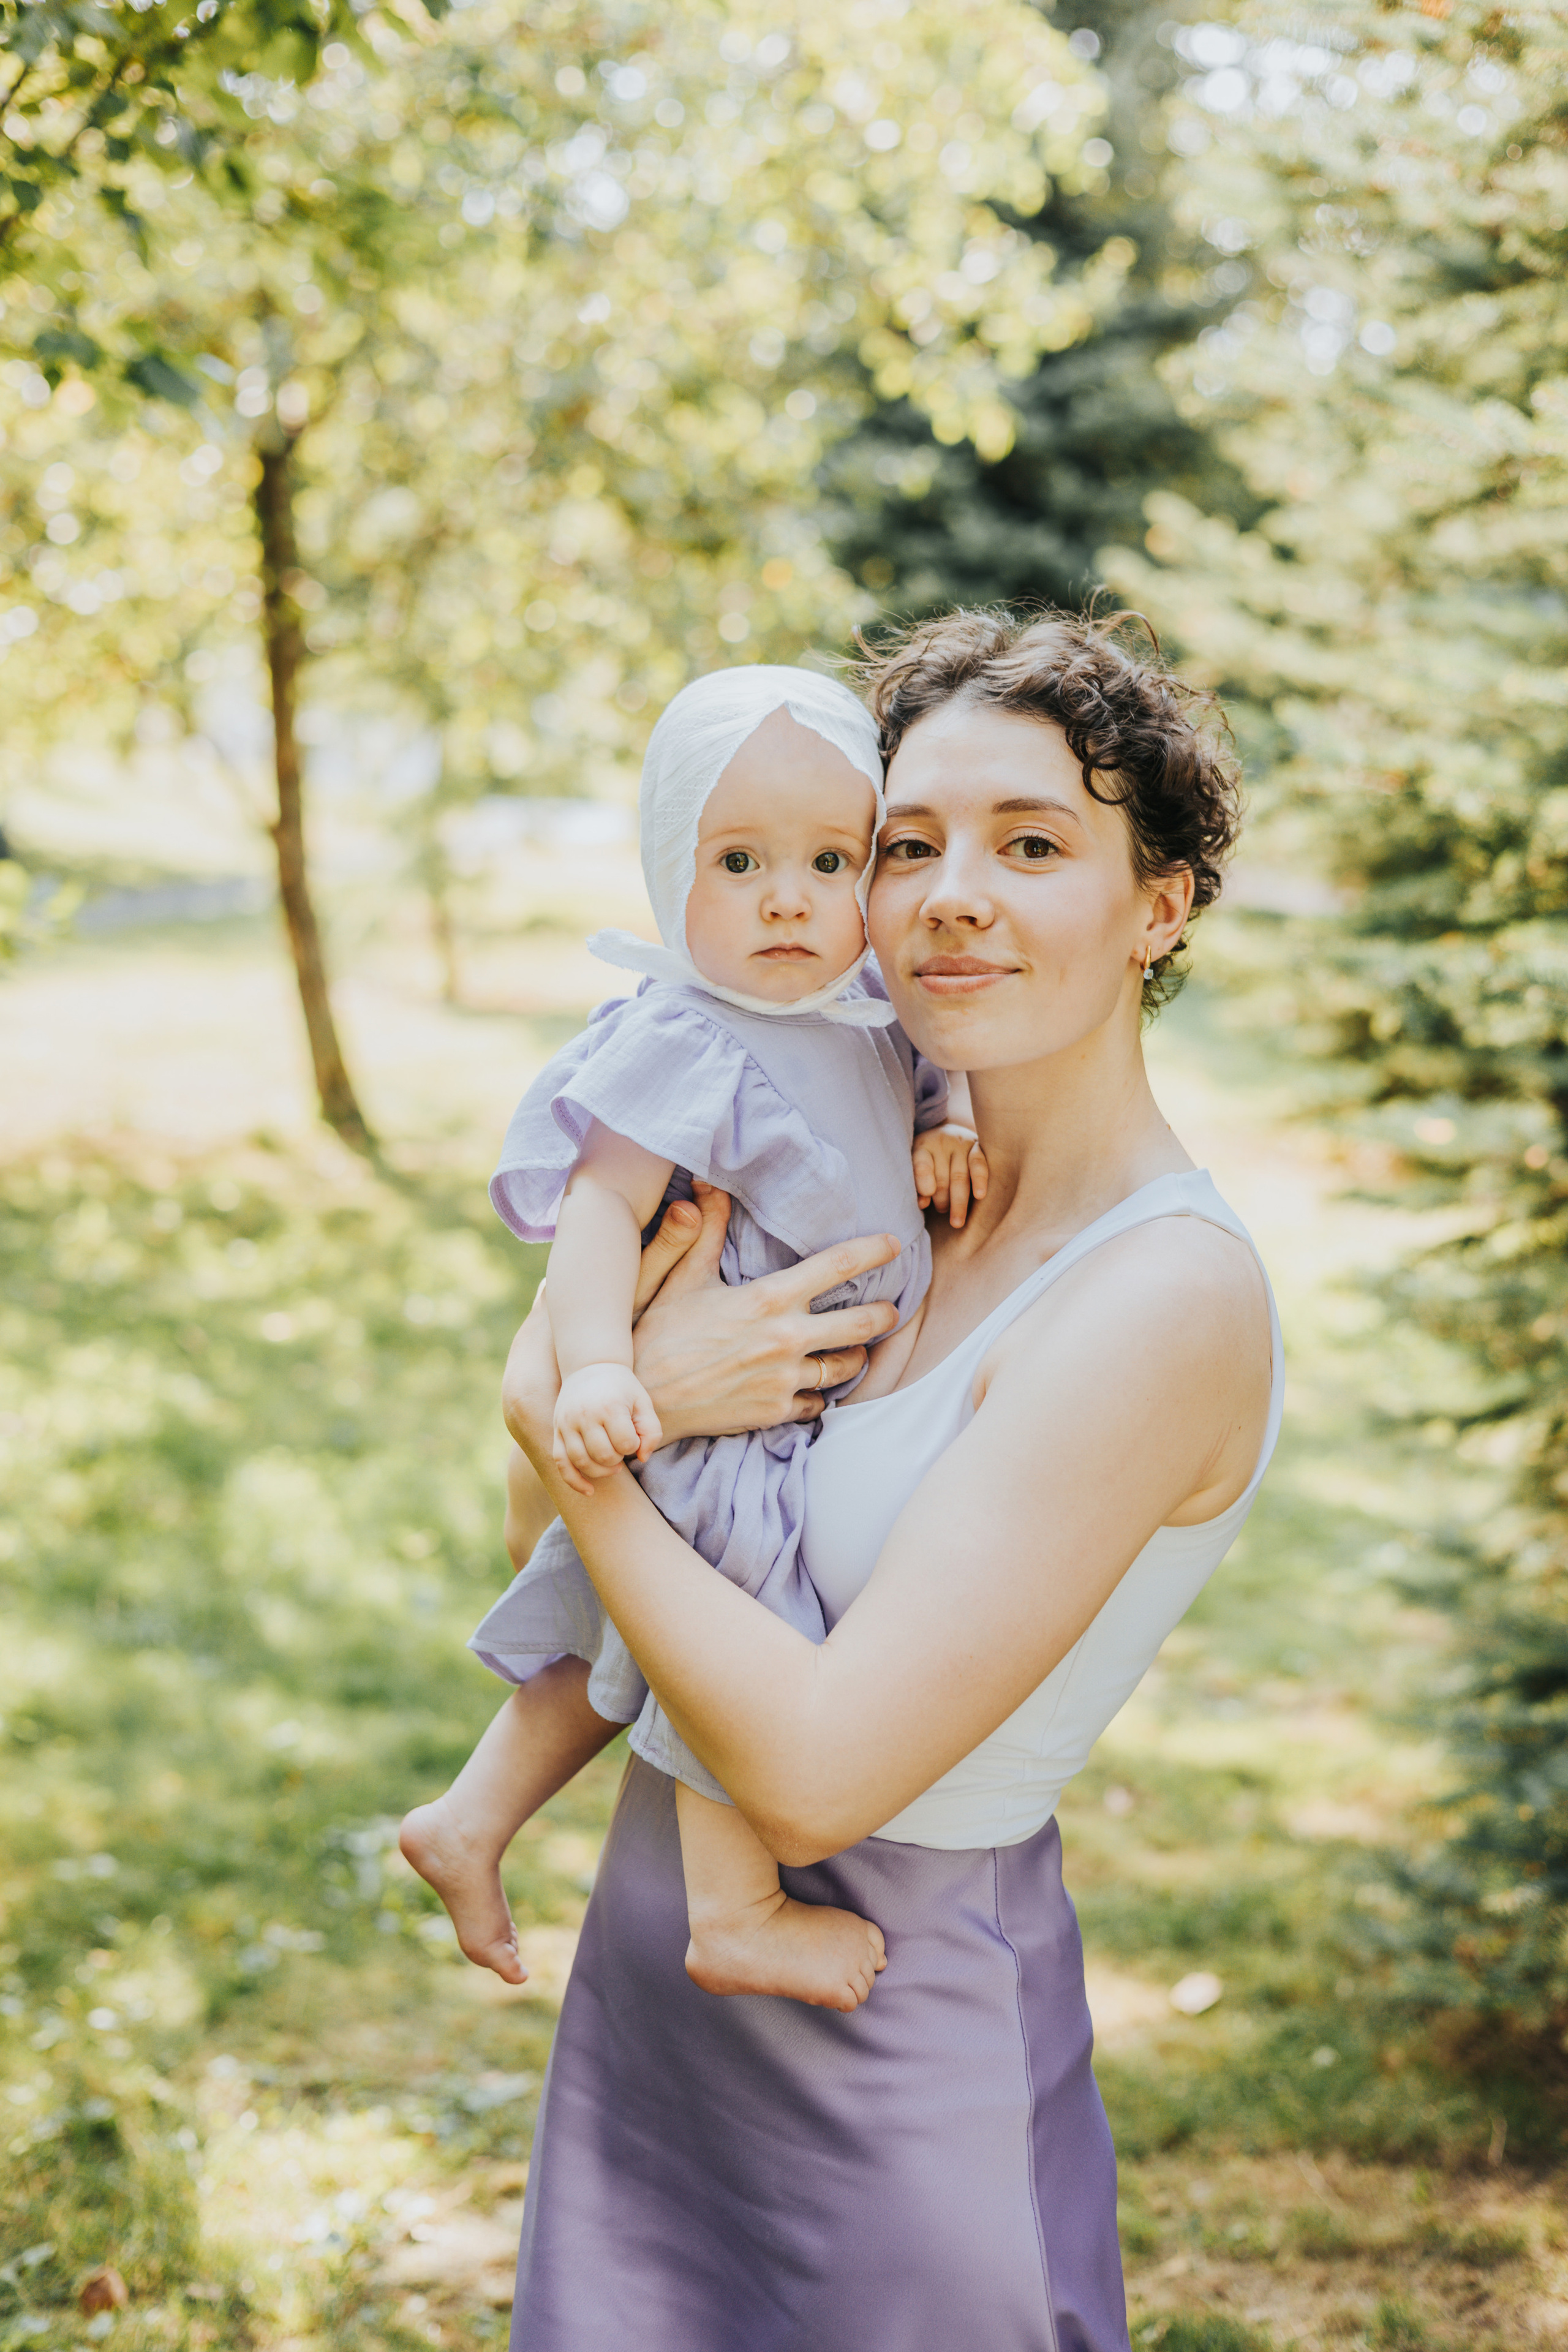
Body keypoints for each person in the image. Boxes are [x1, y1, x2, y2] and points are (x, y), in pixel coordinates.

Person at [494, 607, 1283, 2351]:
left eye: (1032, 845)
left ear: (1159, 905)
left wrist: (572, 1427)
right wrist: (624, 1403)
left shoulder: (1160, 1297)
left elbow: (813, 1781)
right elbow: (543, 1546)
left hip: (885, 2045)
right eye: (906, 844)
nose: (949, 896)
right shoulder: (859, 1196)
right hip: (655, 1983)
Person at [400, 665, 986, 2014]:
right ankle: (735, 1909)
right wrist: (601, 1365)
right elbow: (599, 1212)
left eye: (829, 861)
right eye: (738, 862)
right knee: (738, 1617)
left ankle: (470, 1816)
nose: (788, 899)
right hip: (733, 1418)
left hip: (790, 1401)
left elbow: (923, 1091)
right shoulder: (682, 1033)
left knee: (616, 1645)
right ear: (672, 867)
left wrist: (946, 1129)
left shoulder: (868, 1013)